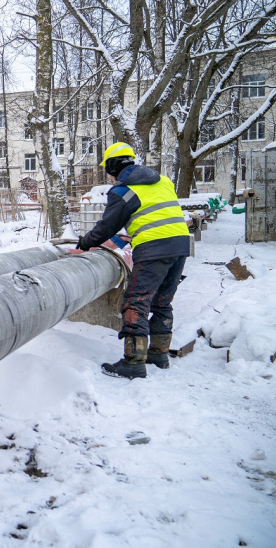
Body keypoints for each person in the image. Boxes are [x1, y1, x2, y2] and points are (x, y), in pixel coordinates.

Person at [76, 142, 190, 379]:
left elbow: (106, 227)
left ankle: (134, 361)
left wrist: (84, 243)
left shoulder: (122, 191)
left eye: (108, 168)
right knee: (162, 301)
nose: (109, 174)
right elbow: (157, 213)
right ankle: (158, 353)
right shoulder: (163, 181)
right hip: (180, 246)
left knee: (135, 303)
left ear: (113, 165)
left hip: (153, 250)